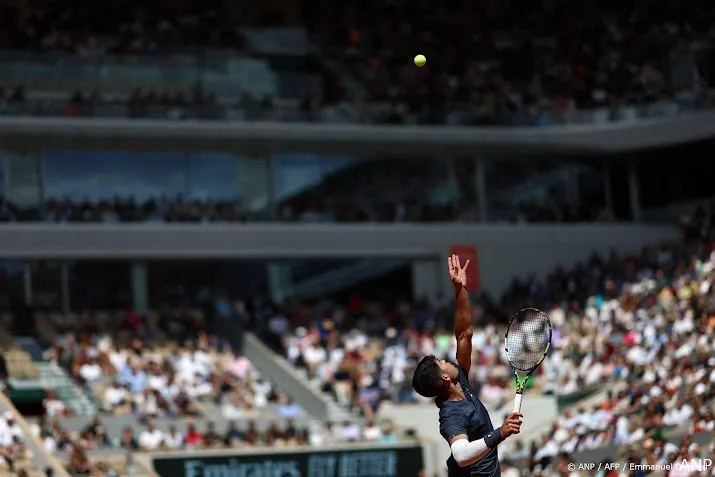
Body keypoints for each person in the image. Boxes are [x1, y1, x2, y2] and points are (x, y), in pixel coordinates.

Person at [412, 255, 522, 477]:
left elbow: (464, 334)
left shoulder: (460, 379)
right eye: (442, 363)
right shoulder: (451, 415)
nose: (447, 361)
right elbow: (461, 456)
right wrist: (500, 432)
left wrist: (460, 289)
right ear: (445, 378)